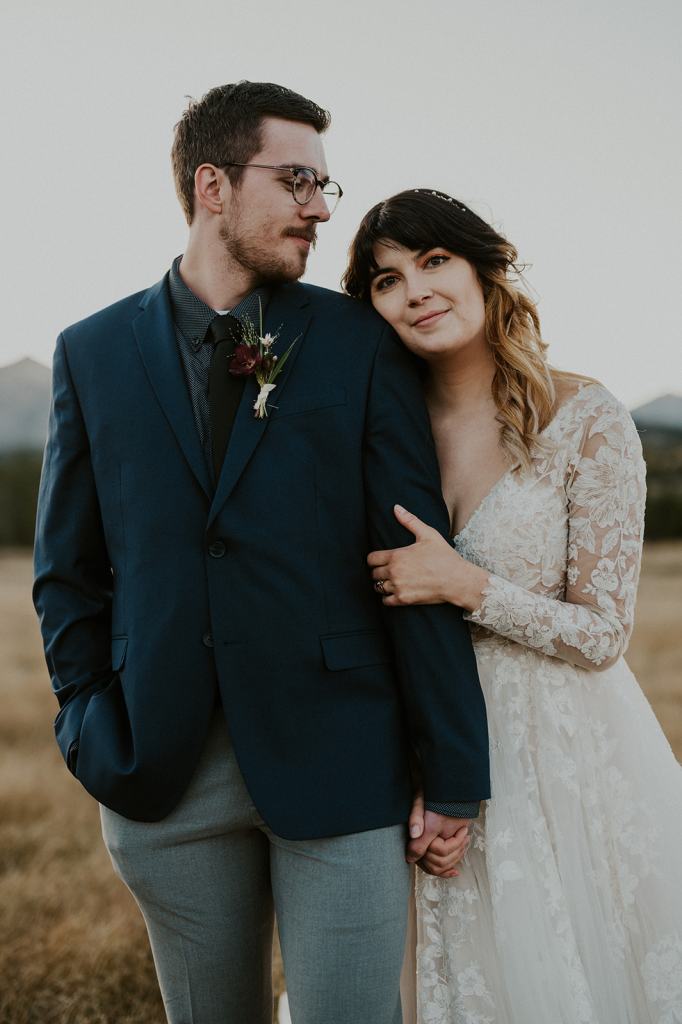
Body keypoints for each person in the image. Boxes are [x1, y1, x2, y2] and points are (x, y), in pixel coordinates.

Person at [32, 88, 490, 1024]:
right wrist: (87, 721)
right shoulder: (91, 353)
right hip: (163, 773)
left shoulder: (360, 343)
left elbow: (415, 559)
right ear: (212, 185)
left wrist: (452, 772)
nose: (322, 206)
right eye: (297, 180)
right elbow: (67, 570)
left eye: (323, 182)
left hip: (345, 765)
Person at [343, 188, 682, 1024]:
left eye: (432, 262)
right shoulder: (382, 429)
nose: (414, 290)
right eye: (386, 280)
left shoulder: (586, 416)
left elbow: (602, 633)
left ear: (485, 269)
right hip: (423, 748)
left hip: (560, 762)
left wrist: (466, 586)